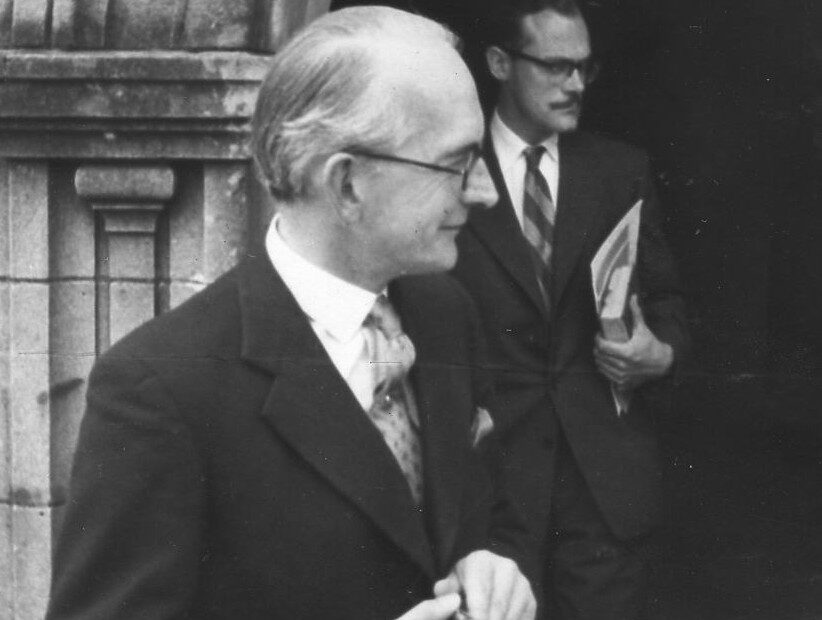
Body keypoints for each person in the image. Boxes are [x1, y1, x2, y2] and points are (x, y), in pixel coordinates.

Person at [46, 7, 537, 620]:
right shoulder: (162, 389)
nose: (485, 191)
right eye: (458, 163)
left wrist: (494, 564)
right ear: (347, 184)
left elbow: (490, 517)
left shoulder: (447, 314)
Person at [451, 1, 691, 618]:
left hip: (603, 490)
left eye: (585, 68)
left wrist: (659, 353)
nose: (577, 84)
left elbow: (666, 299)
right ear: (499, 62)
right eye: (557, 66)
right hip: (490, 485)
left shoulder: (620, 170)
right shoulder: (450, 167)